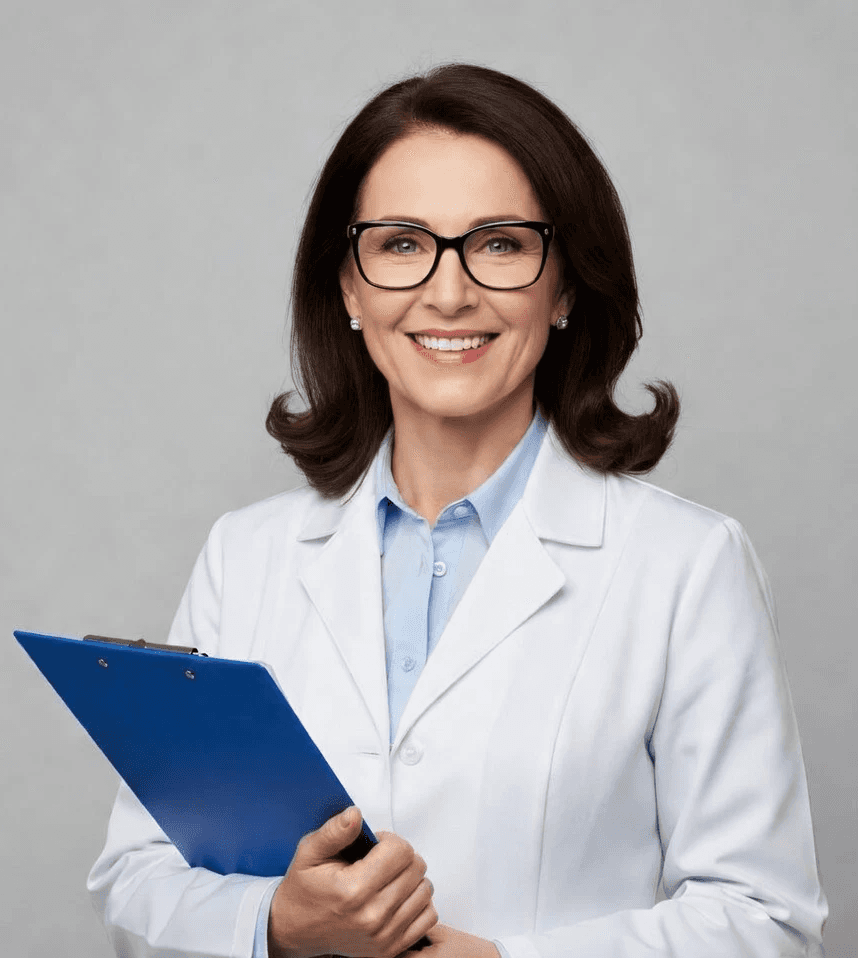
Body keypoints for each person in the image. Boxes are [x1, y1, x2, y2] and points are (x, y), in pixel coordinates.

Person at [88, 64, 827, 958]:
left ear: (564, 289)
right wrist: (274, 927)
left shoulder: (686, 565)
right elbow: (136, 883)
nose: (447, 292)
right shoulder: (247, 557)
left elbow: (766, 921)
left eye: (501, 243)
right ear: (349, 289)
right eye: (401, 243)